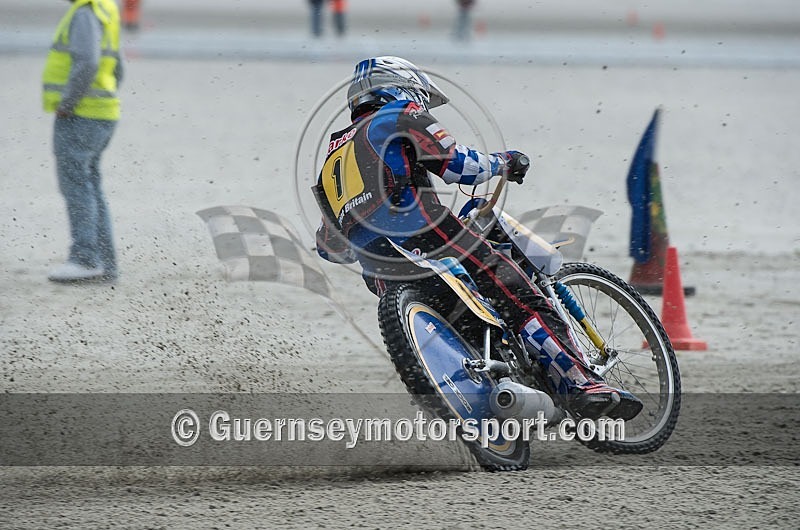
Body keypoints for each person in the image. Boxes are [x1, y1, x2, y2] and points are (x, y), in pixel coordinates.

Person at [311, 56, 643, 421]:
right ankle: (581, 384)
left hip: (382, 273)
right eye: (420, 96)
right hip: (428, 234)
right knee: (522, 296)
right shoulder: (398, 114)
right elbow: (459, 165)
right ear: (400, 88)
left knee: (466, 322)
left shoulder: (330, 159)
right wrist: (505, 162)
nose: (421, 104)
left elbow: (330, 245)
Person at [43, 0, 123, 283]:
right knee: (90, 186)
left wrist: (67, 103)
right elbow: (117, 66)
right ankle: (104, 263)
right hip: (102, 111)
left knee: (77, 186)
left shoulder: (85, 12)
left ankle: (86, 258)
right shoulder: (105, 8)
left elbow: (88, 61)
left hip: (81, 114)